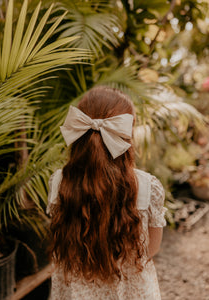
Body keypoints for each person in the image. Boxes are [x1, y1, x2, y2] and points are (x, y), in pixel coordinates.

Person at [47, 86, 167, 300]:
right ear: (127, 134)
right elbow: (152, 249)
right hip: (131, 292)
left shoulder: (58, 182)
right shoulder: (149, 187)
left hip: (76, 292)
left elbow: (60, 245)